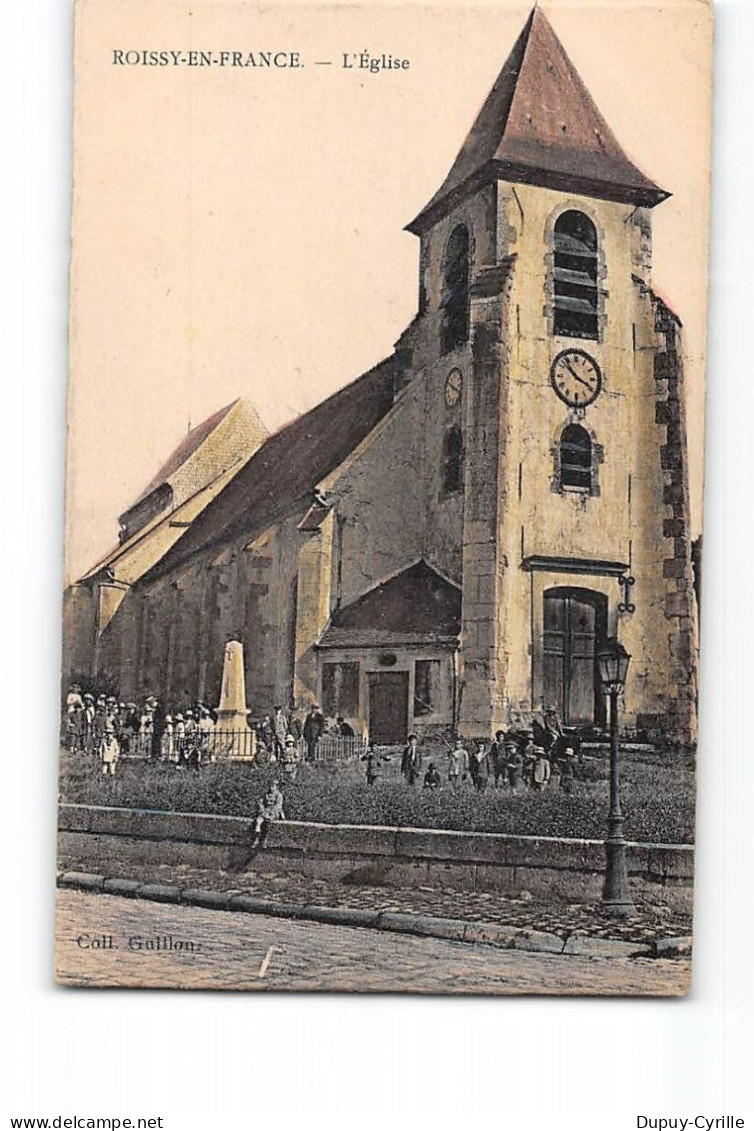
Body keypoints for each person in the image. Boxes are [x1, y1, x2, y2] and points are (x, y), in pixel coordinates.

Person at [250, 781, 286, 848]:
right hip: (265, 811)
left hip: (274, 812)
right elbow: (260, 803)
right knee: (259, 820)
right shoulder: (265, 794)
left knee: (267, 822)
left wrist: (270, 814)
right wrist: (263, 812)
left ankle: (264, 841)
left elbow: (278, 806)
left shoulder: (279, 795)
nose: (271, 788)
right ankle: (256, 837)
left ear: (276, 787)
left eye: (273, 786)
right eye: (270, 786)